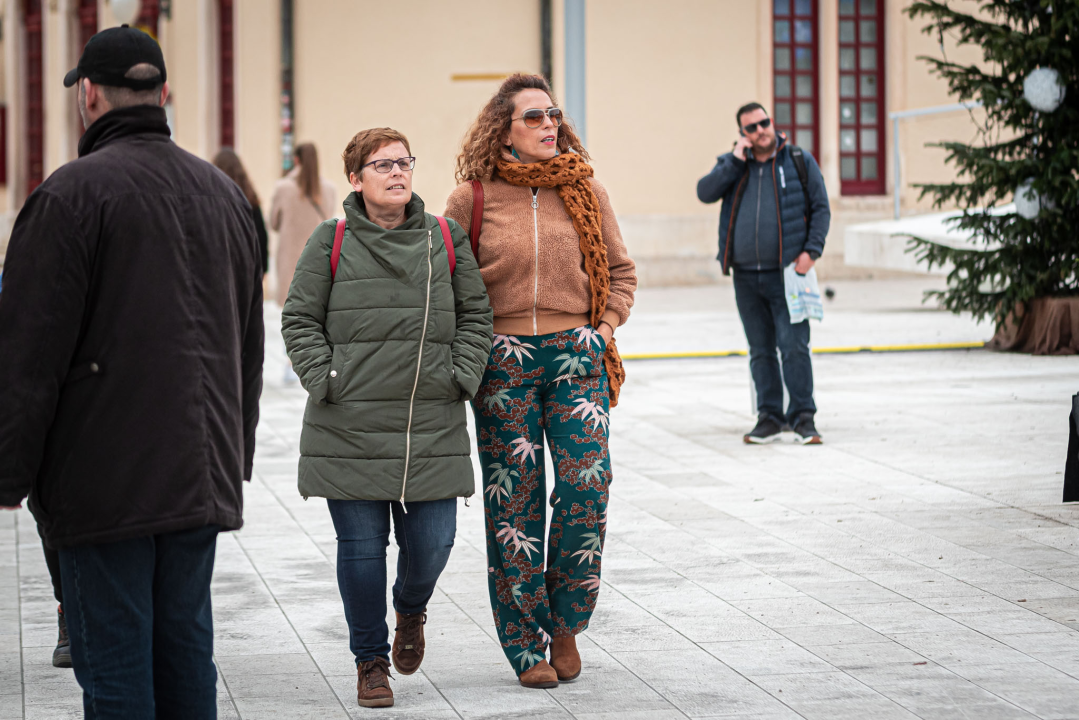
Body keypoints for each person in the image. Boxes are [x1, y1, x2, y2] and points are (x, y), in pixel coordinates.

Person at [0, 26, 263, 719]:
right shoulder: (223, 195)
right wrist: (234, 452)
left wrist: (9, 473)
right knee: (185, 659)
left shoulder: (68, 197)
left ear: (88, 95)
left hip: (104, 484)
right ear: (163, 92)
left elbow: (28, 353)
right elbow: (248, 342)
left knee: (115, 669)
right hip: (198, 473)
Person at [282, 127, 492, 709]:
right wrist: (327, 378)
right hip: (347, 427)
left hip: (431, 423)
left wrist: (460, 374)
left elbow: (477, 314)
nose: (397, 173)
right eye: (382, 165)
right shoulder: (332, 240)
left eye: (404, 163)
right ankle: (370, 660)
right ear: (356, 179)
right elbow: (298, 319)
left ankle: (410, 608)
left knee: (434, 544)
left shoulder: (443, 238)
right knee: (360, 551)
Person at [444, 73, 636, 689]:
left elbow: (623, 271)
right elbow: (449, 285)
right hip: (503, 363)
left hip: (576, 353)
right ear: (503, 127)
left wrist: (602, 330)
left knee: (587, 483)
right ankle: (525, 642)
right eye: (533, 117)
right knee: (513, 504)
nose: (549, 125)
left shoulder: (585, 189)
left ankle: (566, 624)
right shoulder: (470, 199)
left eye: (553, 114)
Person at [697, 102, 831, 445]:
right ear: (743, 135)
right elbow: (705, 192)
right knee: (760, 350)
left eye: (764, 123)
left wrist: (810, 253)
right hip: (745, 276)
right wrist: (734, 161)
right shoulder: (734, 165)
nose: (760, 131)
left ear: (773, 123)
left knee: (794, 347)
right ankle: (769, 418)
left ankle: (804, 419)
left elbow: (821, 207)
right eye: (751, 128)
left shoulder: (799, 160)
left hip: (788, 273)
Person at [270, 142, 336, 307]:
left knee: (291, 313)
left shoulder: (283, 187)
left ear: (296, 160)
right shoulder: (329, 189)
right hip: (320, 259)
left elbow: (273, 223)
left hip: (290, 263)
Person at [214, 148, 269, 276]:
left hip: (222, 269)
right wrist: (262, 269)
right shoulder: (250, 198)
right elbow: (261, 236)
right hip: (247, 268)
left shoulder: (214, 200)